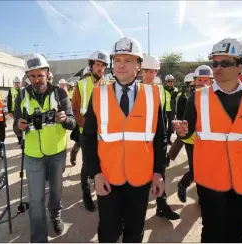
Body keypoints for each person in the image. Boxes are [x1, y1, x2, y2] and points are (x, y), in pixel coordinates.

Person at [84, 37, 166, 242]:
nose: (121, 64)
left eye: (128, 60)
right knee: (108, 232)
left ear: (139, 66)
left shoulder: (153, 95)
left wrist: (159, 173)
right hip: (108, 179)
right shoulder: (98, 94)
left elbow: (160, 139)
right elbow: (88, 137)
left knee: (134, 232)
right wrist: (95, 173)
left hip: (140, 180)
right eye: (117, 59)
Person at [174, 38, 242, 242]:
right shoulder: (197, 98)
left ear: (240, 65)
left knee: (237, 232)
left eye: (225, 63)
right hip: (211, 181)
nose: (217, 68)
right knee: (212, 231)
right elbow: (188, 133)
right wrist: (183, 132)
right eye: (215, 63)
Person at [15, 53, 75, 243]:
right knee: (36, 199)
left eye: (39, 75)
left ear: (47, 73)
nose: (36, 80)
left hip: (56, 153)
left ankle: (55, 215)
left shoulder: (60, 93)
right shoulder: (22, 96)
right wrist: (19, 127)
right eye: (32, 76)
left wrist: (65, 119)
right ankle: (39, 238)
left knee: (56, 192)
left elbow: (72, 123)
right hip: (33, 155)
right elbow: (16, 126)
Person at [141, 54, 180, 220]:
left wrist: (163, 142)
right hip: (140, 144)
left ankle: (162, 206)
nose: (150, 75)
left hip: (157, 140)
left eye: (153, 71)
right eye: (146, 71)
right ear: (140, 71)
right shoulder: (134, 90)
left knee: (161, 174)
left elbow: (162, 118)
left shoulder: (159, 91)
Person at [71, 50, 108, 212]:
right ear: (91, 66)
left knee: (103, 163)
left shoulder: (108, 85)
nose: (100, 68)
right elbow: (75, 110)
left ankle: (101, 190)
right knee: (87, 165)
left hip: (104, 133)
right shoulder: (81, 85)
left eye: (103, 66)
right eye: (97, 65)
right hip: (86, 133)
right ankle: (86, 194)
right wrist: (87, 127)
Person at [176, 67, 213, 203]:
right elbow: (185, 120)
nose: (202, 82)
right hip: (192, 140)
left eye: (205, 80)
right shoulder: (192, 97)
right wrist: (183, 133)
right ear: (195, 81)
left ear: (210, 81)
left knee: (206, 170)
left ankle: (202, 198)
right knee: (196, 170)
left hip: (209, 141)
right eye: (199, 80)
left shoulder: (214, 96)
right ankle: (183, 184)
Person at [7, 76, 23, 145]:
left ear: (21, 83)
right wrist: (10, 111)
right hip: (15, 111)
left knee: (23, 124)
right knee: (16, 126)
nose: (17, 84)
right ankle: (19, 139)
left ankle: (23, 138)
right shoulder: (11, 90)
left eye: (19, 83)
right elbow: (9, 101)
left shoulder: (24, 89)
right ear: (14, 83)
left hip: (23, 110)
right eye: (16, 83)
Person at [164, 74, 178, 144]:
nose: (170, 83)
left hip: (172, 110)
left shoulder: (176, 90)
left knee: (171, 126)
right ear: (166, 82)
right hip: (164, 110)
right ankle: (164, 139)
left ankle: (168, 139)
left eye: (171, 81)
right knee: (163, 125)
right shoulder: (162, 89)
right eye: (169, 81)